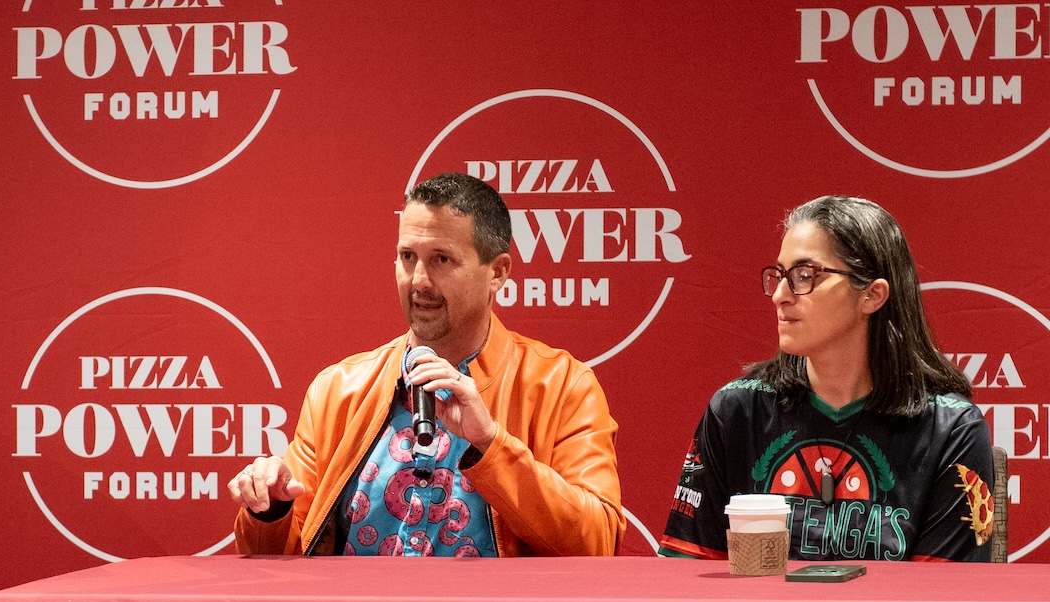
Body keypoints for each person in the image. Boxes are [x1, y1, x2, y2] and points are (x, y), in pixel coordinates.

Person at [227, 172, 625, 556]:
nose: (418, 280)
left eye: (441, 259)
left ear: (498, 272)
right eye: (407, 256)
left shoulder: (563, 385)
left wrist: (490, 443)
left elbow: (597, 542)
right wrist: (271, 510)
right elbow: (274, 559)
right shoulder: (336, 389)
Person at [660, 195, 994, 562]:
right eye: (780, 276)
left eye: (805, 276)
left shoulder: (950, 428)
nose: (780, 296)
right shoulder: (737, 411)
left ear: (872, 294)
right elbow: (686, 576)